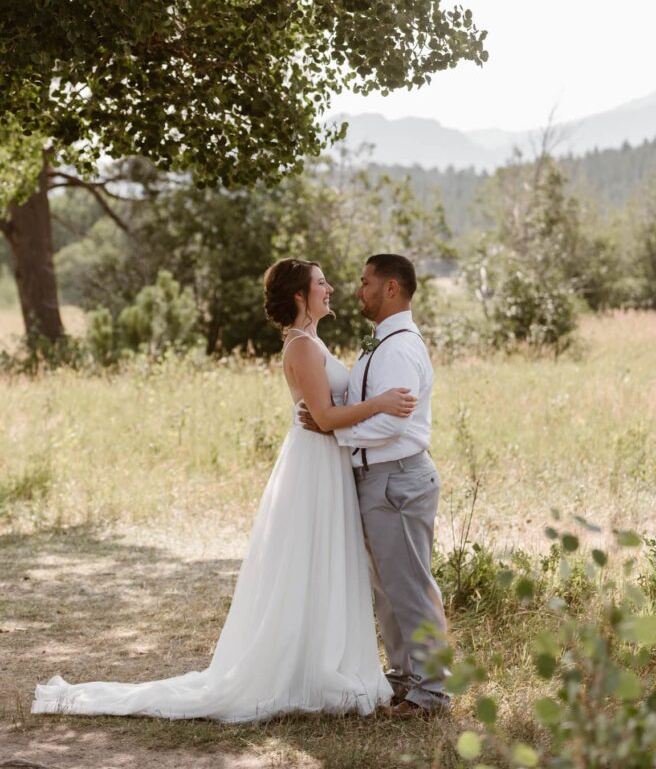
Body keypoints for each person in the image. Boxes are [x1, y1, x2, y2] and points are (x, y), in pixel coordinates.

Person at [32, 258, 415, 722]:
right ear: (300, 295)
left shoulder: (312, 342)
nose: (330, 288)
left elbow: (329, 414)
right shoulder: (302, 348)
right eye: (320, 283)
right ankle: (302, 670)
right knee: (306, 561)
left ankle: (320, 659)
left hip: (325, 461)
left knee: (323, 560)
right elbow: (328, 418)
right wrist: (381, 402)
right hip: (314, 464)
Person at [302, 253, 450, 717]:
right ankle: (405, 676)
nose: (358, 290)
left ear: (390, 289)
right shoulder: (380, 344)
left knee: (409, 586)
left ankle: (433, 690)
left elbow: (389, 425)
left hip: (398, 479)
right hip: (377, 481)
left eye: (366, 282)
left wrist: (333, 430)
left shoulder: (401, 347)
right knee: (387, 587)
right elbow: (368, 403)